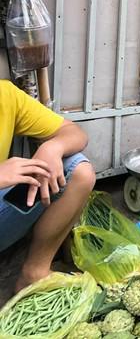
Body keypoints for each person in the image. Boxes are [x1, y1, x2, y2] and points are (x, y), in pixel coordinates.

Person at [0, 80, 95, 292]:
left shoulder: (5, 95)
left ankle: (35, 272)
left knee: (78, 170)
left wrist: (53, 147)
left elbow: (74, 133)